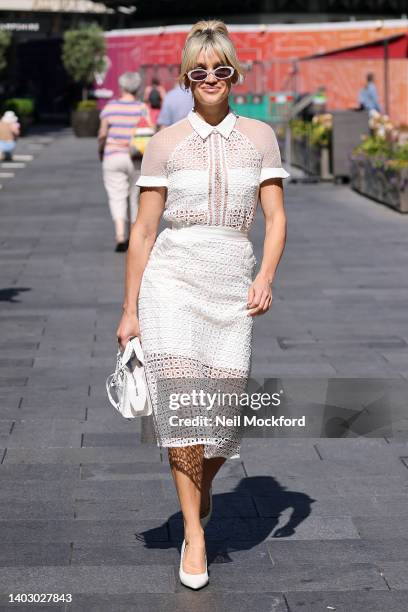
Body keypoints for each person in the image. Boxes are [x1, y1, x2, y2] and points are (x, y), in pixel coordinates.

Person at [116, 20, 289, 589]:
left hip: (232, 285)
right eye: (199, 71)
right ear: (187, 79)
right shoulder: (164, 142)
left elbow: (275, 217)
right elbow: (142, 233)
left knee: (224, 416)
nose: (210, 78)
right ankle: (194, 533)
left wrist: (265, 275)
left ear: (233, 74)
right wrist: (130, 309)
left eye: (220, 69)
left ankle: (204, 484)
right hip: (172, 283)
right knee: (185, 412)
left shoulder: (261, 136)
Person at [98, 71, 153, 252]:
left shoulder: (110, 107)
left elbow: (102, 134)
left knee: (116, 196)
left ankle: (120, 235)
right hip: (136, 156)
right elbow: (150, 131)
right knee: (135, 198)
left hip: (113, 156)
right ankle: (135, 237)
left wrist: (101, 150)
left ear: (121, 87)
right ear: (137, 88)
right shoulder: (142, 108)